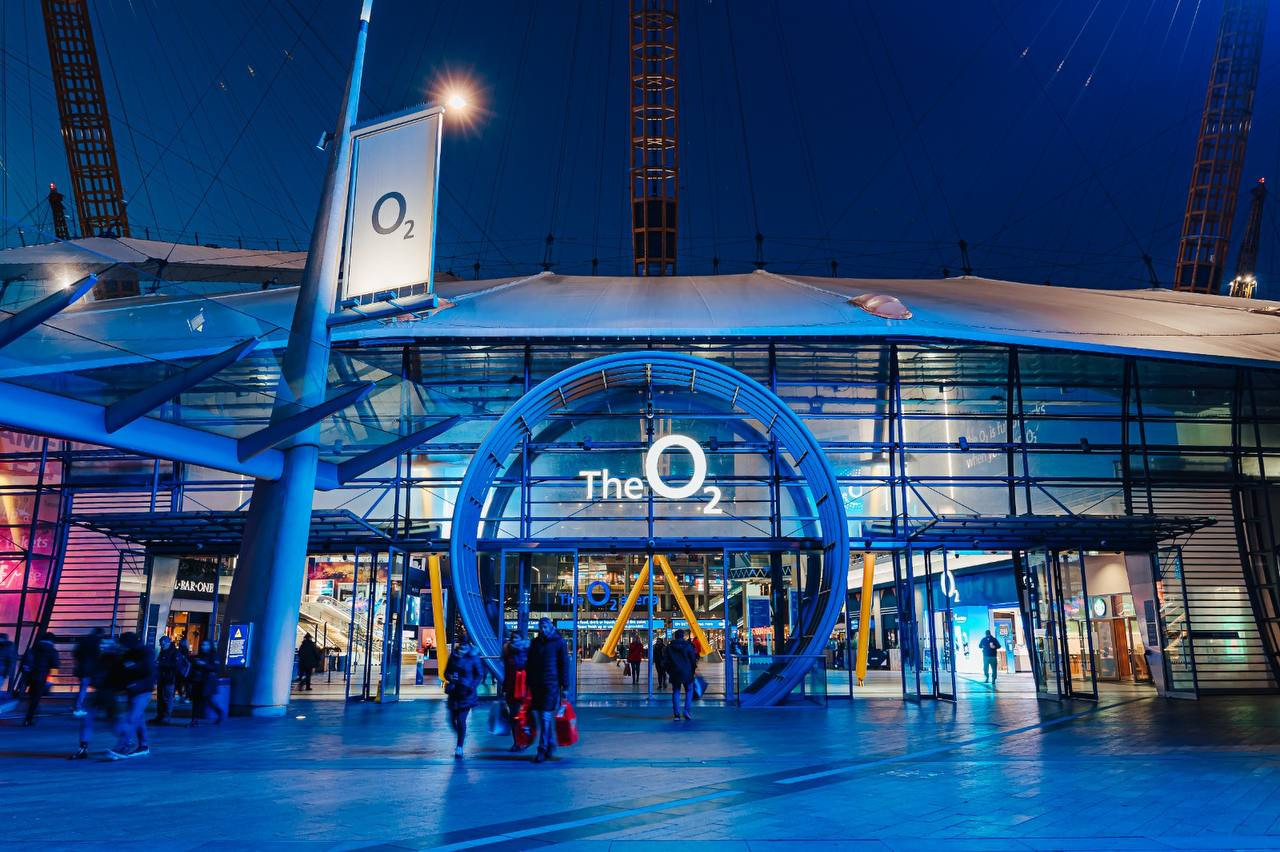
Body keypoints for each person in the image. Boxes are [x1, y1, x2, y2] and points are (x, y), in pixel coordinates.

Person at [526, 616, 569, 764]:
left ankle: (542, 749)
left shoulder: (559, 642)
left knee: (545, 716)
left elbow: (564, 665)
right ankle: (550, 743)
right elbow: (530, 664)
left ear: (551, 627)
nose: (543, 630)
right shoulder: (535, 643)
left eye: (545, 627)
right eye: (541, 627)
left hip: (551, 685)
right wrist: (528, 683)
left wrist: (565, 687)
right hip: (537, 685)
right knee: (542, 718)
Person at [71, 634, 120, 760]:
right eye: (102, 643)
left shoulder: (115, 659)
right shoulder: (101, 658)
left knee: (113, 723)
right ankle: (83, 748)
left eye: (106, 643)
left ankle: (126, 740)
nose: (103, 646)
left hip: (109, 694)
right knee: (88, 720)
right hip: (101, 693)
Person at [109, 632, 155, 759]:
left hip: (142, 690)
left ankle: (122, 748)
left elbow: (148, 670)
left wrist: (131, 667)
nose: (122, 646)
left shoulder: (145, 652)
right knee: (138, 718)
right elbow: (121, 669)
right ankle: (143, 746)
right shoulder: (129, 653)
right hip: (134, 689)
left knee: (132, 718)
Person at [443, 641, 484, 759]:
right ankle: (461, 735)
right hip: (454, 693)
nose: (463, 647)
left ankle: (459, 746)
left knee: (461, 720)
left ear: (468, 645)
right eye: (461, 645)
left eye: (465, 645)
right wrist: (450, 677)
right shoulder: (454, 656)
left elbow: (479, 674)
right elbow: (446, 672)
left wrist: (472, 686)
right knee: (451, 720)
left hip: (467, 693)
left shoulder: (473, 657)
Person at [20, 631, 60, 726]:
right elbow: (55, 664)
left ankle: (31, 714)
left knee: (32, 696)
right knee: (35, 698)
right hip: (41, 677)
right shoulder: (52, 651)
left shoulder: (33, 649)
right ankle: (29, 718)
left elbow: (24, 661)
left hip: (30, 676)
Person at [502, 632, 531, 751]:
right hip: (512, 687)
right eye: (513, 638)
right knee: (514, 716)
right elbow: (506, 671)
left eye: (516, 638)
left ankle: (523, 740)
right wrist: (504, 687)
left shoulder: (527, 651)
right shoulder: (507, 651)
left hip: (524, 687)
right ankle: (517, 742)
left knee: (521, 715)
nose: (514, 641)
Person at [188, 640, 224, 727]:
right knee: (196, 701)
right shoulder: (200, 655)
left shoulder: (214, 655)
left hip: (208, 682)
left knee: (208, 700)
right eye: (203, 645)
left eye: (206, 645)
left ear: (210, 646)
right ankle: (194, 720)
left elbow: (215, 668)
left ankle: (219, 712)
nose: (203, 647)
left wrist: (203, 664)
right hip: (198, 681)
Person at [154, 635, 188, 723]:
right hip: (162, 678)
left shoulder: (175, 652)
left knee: (167, 698)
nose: (162, 646)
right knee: (160, 698)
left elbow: (176, 666)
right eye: (161, 644)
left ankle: (166, 716)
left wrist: (161, 664)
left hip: (170, 678)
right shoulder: (163, 651)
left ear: (168, 643)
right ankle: (160, 716)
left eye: (163, 644)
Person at [666, 629, 698, 722]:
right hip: (687, 672)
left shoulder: (669, 647)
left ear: (675, 636)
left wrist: (669, 670)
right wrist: (693, 669)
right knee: (689, 690)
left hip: (675, 672)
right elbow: (693, 659)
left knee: (676, 691)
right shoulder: (688, 646)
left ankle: (676, 715)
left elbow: (666, 660)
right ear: (683, 636)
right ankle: (686, 711)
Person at [0, 632, 16, 699]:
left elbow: (11, 662)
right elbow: (11, 661)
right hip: (2, 672)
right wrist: (8, 673)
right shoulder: (9, 647)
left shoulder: (8, 648)